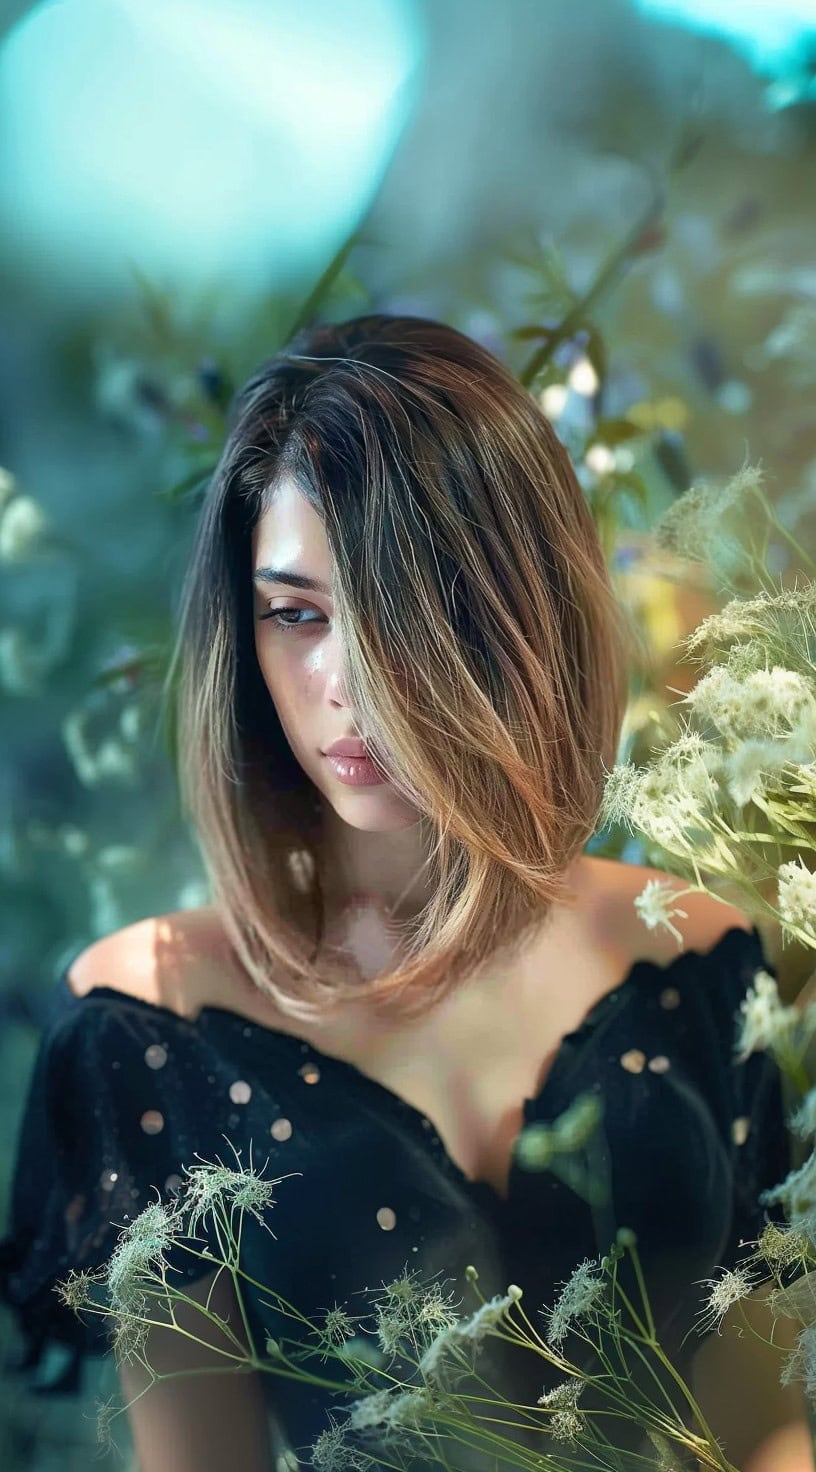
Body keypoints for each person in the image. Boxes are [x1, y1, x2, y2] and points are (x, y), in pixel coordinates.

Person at [0, 315, 803, 1471]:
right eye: (295, 611)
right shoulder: (145, 1024)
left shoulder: (695, 952)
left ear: (517, 609)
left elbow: (765, 1420)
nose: (342, 682)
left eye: (394, 608)